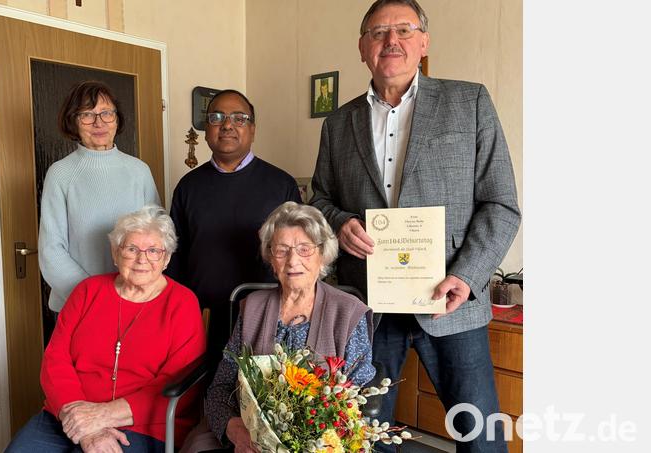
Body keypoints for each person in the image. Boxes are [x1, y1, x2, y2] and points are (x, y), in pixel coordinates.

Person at [309, 1, 521, 451]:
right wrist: (341, 222)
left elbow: (501, 204)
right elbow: (320, 200)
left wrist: (467, 276)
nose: (392, 40)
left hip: (451, 302)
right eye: (378, 32)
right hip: (368, 306)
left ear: (423, 42)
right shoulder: (338, 123)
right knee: (361, 436)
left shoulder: (470, 102)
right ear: (362, 47)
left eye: (404, 30)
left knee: (481, 437)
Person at [7, 206, 206, 453]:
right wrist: (83, 421)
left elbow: (181, 388)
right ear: (115, 253)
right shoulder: (87, 291)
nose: (142, 259)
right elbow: (55, 360)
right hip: (70, 413)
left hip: (143, 424)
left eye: (153, 251)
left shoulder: (182, 304)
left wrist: (102, 415)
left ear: (166, 259)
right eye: (131, 249)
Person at [204, 202, 375, 452]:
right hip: (252, 441)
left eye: (305, 249)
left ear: (322, 255)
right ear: (271, 259)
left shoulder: (348, 313)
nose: (293, 261)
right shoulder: (252, 308)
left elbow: (357, 401)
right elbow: (220, 388)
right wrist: (236, 430)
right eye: (281, 250)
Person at [167, 89, 301, 358]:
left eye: (239, 118)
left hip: (266, 317)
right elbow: (174, 257)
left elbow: (300, 257)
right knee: (203, 382)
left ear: (252, 129)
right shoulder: (188, 187)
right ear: (207, 130)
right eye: (217, 117)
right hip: (202, 317)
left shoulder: (281, 185)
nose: (227, 125)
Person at [39, 80, 160, 314]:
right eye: (87, 114)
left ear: (117, 119)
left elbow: (157, 237)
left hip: (135, 300)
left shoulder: (139, 170)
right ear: (73, 121)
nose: (99, 122)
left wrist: (139, 288)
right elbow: (51, 250)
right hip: (80, 304)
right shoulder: (61, 173)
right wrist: (95, 297)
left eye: (106, 113)